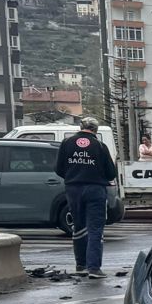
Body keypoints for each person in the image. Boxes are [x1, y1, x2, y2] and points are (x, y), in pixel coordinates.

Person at [54, 116, 118, 278]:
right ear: (95, 130)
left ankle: (80, 265)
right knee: (95, 228)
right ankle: (94, 268)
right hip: (95, 189)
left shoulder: (66, 143)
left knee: (79, 226)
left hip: (73, 189)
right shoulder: (100, 146)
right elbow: (111, 172)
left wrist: (73, 176)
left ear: (80, 127)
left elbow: (58, 168)